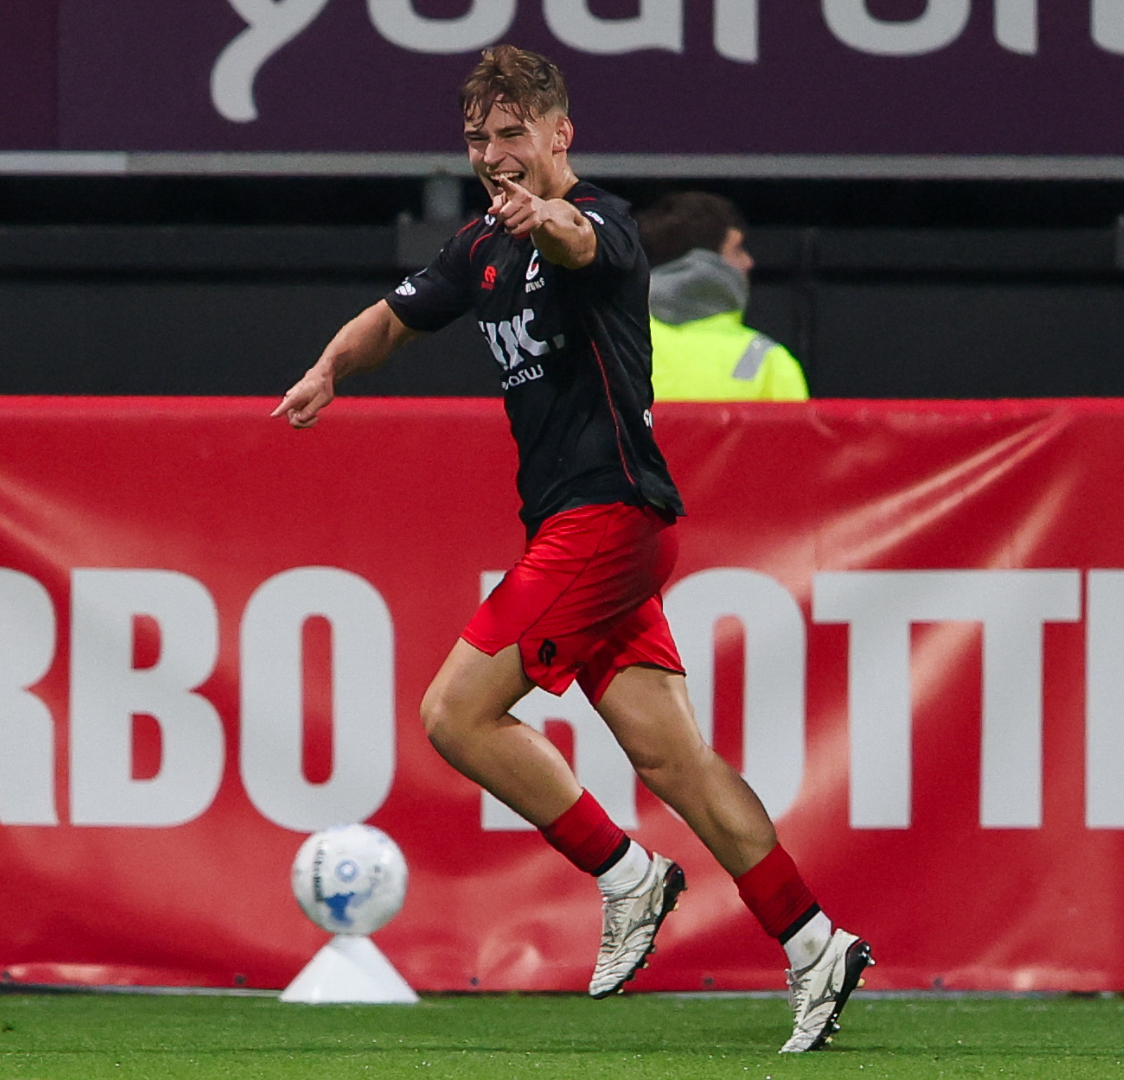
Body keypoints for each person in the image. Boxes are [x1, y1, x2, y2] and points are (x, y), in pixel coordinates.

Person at [272, 45, 870, 1053]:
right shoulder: (478, 247)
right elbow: (395, 319)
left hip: (607, 518)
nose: (492, 153)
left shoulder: (603, 223)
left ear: (561, 134)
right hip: (589, 531)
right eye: (478, 138)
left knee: (455, 713)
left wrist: (544, 216)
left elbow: (577, 237)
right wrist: (331, 368)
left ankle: (628, 875)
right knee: (676, 761)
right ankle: (815, 940)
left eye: (512, 134)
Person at [637, 192, 809, 401]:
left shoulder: (616, 347)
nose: (749, 261)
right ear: (703, 264)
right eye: (737, 250)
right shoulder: (769, 363)